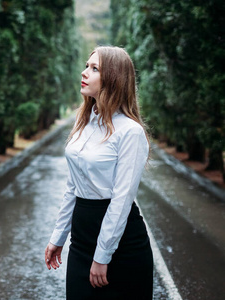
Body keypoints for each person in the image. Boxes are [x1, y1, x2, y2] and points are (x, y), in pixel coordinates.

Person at [44, 46, 153, 300]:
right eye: (86, 66)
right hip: (82, 240)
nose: (85, 73)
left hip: (123, 246)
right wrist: (58, 237)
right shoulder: (83, 122)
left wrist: (103, 256)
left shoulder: (130, 132)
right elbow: (73, 187)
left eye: (95, 69)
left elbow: (122, 199)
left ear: (114, 78)